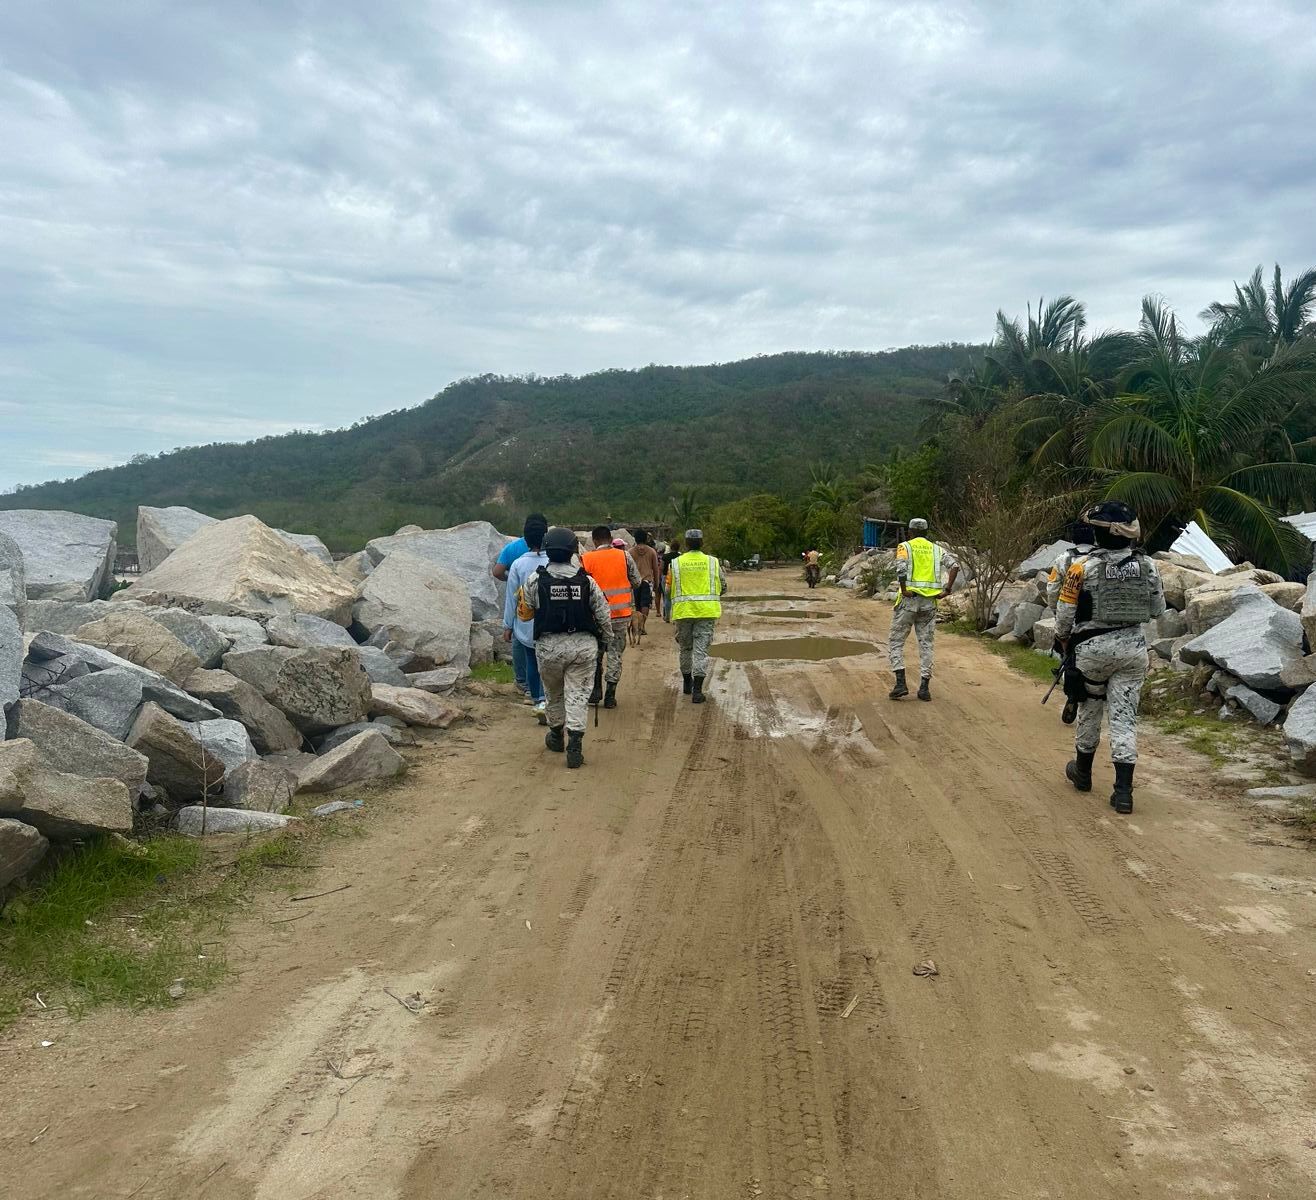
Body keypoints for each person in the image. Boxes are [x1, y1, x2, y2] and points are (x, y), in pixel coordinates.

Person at [1054, 501, 1165, 815]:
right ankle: (1123, 793)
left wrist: (1064, 641)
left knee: (1090, 711)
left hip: (1092, 652)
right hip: (1132, 651)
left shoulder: (1080, 568)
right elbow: (1158, 609)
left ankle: (1084, 774)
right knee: (1124, 718)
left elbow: (1064, 616)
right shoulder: (1149, 566)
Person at [516, 526, 612, 768]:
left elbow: (525, 614)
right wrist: (607, 640)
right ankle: (576, 746)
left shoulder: (534, 580)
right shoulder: (587, 582)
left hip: (548, 648)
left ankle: (557, 736)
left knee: (554, 693)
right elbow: (603, 614)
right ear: (572, 552)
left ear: (547, 551)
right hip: (583, 647)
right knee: (578, 695)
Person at [888, 517, 958, 702]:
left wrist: (904, 590)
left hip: (908, 601)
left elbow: (901, 570)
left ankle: (901, 684)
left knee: (896, 642)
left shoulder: (905, 547)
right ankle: (924, 688)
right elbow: (955, 566)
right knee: (926, 644)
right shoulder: (937, 549)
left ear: (910, 532)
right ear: (926, 532)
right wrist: (947, 589)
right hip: (929, 603)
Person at [581, 526, 641, 709]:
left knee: (595, 654)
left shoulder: (586, 559)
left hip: (594, 617)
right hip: (620, 616)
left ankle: (595, 691)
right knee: (615, 654)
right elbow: (637, 582)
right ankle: (610, 695)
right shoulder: (624, 556)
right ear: (610, 538)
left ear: (594, 540)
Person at [665, 529, 727, 704]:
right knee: (700, 651)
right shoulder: (713, 562)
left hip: (683, 613)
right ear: (702, 543)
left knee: (685, 649)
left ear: (686, 544)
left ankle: (687, 683)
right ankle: (697, 692)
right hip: (706, 612)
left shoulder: (675, 564)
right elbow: (723, 586)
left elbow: (668, 590)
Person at [502, 517, 549, 722]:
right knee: (549, 663)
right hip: (551, 622)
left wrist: (507, 625)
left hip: (526, 622)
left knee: (531, 659)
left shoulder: (518, 565)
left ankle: (536, 698)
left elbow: (511, 597)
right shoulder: (553, 560)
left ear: (526, 539)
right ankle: (550, 698)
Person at [493, 513, 549, 583]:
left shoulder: (511, 547)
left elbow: (497, 572)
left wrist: (510, 579)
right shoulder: (552, 546)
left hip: (519, 591)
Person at [629, 530, 663, 639]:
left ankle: (637, 625)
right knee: (645, 604)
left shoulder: (630, 552)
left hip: (635, 582)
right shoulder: (652, 551)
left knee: (637, 605)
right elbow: (656, 569)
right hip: (647, 582)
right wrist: (657, 583)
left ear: (635, 539)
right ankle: (642, 626)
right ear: (646, 539)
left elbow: (627, 569)